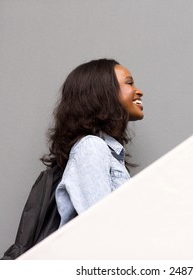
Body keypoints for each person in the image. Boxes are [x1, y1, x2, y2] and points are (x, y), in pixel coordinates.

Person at [41, 58, 144, 227]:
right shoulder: (91, 147)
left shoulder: (106, 152)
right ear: (103, 93)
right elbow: (100, 227)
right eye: (129, 83)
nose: (139, 91)